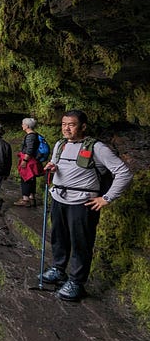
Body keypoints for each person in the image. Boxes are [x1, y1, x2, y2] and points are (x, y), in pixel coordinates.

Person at [41, 109, 133, 301]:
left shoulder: (97, 148)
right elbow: (56, 162)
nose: (66, 128)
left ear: (83, 126)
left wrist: (106, 198)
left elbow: (124, 173)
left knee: (81, 242)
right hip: (59, 197)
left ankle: (76, 281)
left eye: (71, 124)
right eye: (64, 124)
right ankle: (59, 269)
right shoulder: (60, 144)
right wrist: (53, 166)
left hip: (82, 203)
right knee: (59, 237)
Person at [13, 118, 43, 207]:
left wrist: (25, 160)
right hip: (32, 160)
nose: (22, 125)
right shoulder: (34, 135)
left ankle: (25, 199)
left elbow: (29, 149)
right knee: (31, 179)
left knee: (25, 178)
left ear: (27, 125)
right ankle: (31, 197)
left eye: (23, 124)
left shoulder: (30, 136)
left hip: (29, 161)